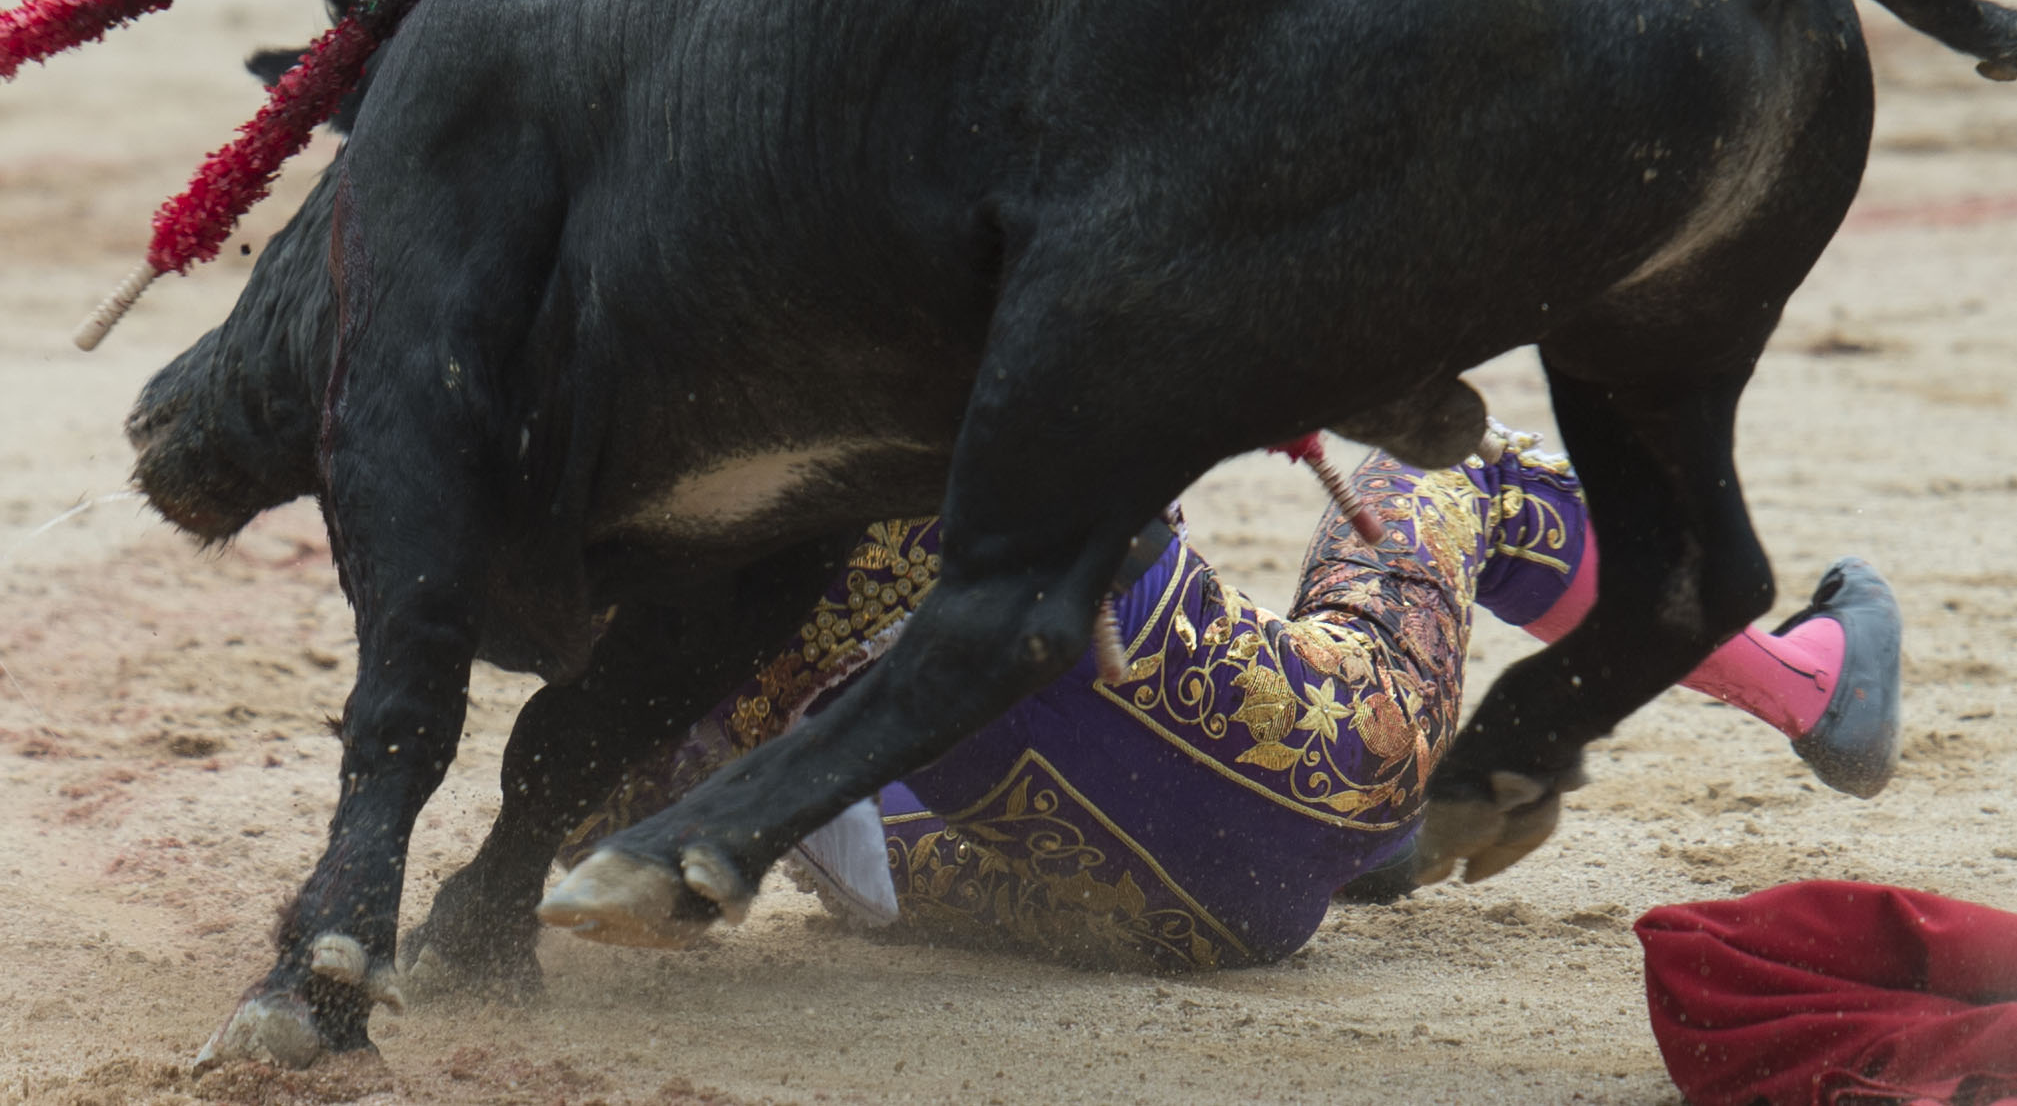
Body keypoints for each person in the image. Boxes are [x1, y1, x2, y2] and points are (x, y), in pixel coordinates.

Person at [560, 428, 1901, 972]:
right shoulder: (952, 351)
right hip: (1306, 778)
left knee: (773, 747)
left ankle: (1373, 835)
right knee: (1454, 470)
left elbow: (592, 835)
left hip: (1065, 919)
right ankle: (1803, 692)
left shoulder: (635, 518)